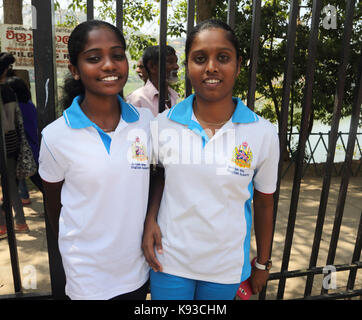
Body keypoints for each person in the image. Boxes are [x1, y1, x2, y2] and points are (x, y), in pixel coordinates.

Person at [142, 19, 280, 300]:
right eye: (200, 58)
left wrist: (263, 262)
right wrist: (149, 220)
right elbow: (156, 177)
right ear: (188, 66)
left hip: (225, 268)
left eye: (223, 57)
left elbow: (265, 200)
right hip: (169, 262)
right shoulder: (161, 126)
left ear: (239, 65)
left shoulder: (262, 133)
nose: (212, 67)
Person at [38, 20, 153, 300]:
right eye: (94, 58)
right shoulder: (55, 136)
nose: (109, 65)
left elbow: (158, 178)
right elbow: (54, 204)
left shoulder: (147, 123)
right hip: (87, 276)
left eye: (117, 55)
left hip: (136, 270)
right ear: (75, 70)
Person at [0, 53, 30, 239]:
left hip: (5, 141)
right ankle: (20, 221)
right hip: (11, 144)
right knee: (11, 185)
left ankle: (3, 226)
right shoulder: (10, 91)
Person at [6, 76, 44, 206]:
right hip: (34, 147)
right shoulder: (29, 104)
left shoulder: (18, 108)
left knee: (41, 184)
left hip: (26, 151)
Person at [126, 45, 179, 116]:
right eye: (170, 62)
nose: (176, 66)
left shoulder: (174, 96)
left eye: (176, 62)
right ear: (152, 66)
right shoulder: (137, 100)